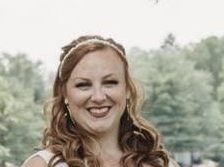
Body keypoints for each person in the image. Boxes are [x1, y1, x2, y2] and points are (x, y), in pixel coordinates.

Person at [23, 35, 173, 167]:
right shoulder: (42, 164)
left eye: (110, 82)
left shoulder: (160, 163)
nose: (98, 97)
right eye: (83, 85)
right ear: (65, 94)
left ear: (127, 89)